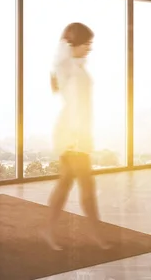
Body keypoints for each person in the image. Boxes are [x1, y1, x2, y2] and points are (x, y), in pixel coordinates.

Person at [40, 22, 110, 251]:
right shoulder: (67, 66)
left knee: (64, 185)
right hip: (70, 135)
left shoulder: (78, 66)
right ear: (75, 44)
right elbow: (59, 58)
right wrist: (66, 37)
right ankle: (97, 234)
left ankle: (49, 230)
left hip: (79, 134)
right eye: (87, 43)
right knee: (87, 186)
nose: (90, 48)